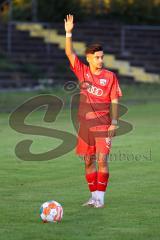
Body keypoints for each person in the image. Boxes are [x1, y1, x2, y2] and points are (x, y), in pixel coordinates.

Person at [64, 14, 122, 208]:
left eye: (102, 57)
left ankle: (101, 200)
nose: (100, 60)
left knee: (102, 161)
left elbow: (114, 99)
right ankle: (93, 197)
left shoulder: (110, 76)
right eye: (97, 57)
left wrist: (114, 122)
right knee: (88, 162)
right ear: (89, 58)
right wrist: (68, 33)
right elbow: (70, 54)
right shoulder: (83, 72)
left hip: (104, 125)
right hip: (85, 126)